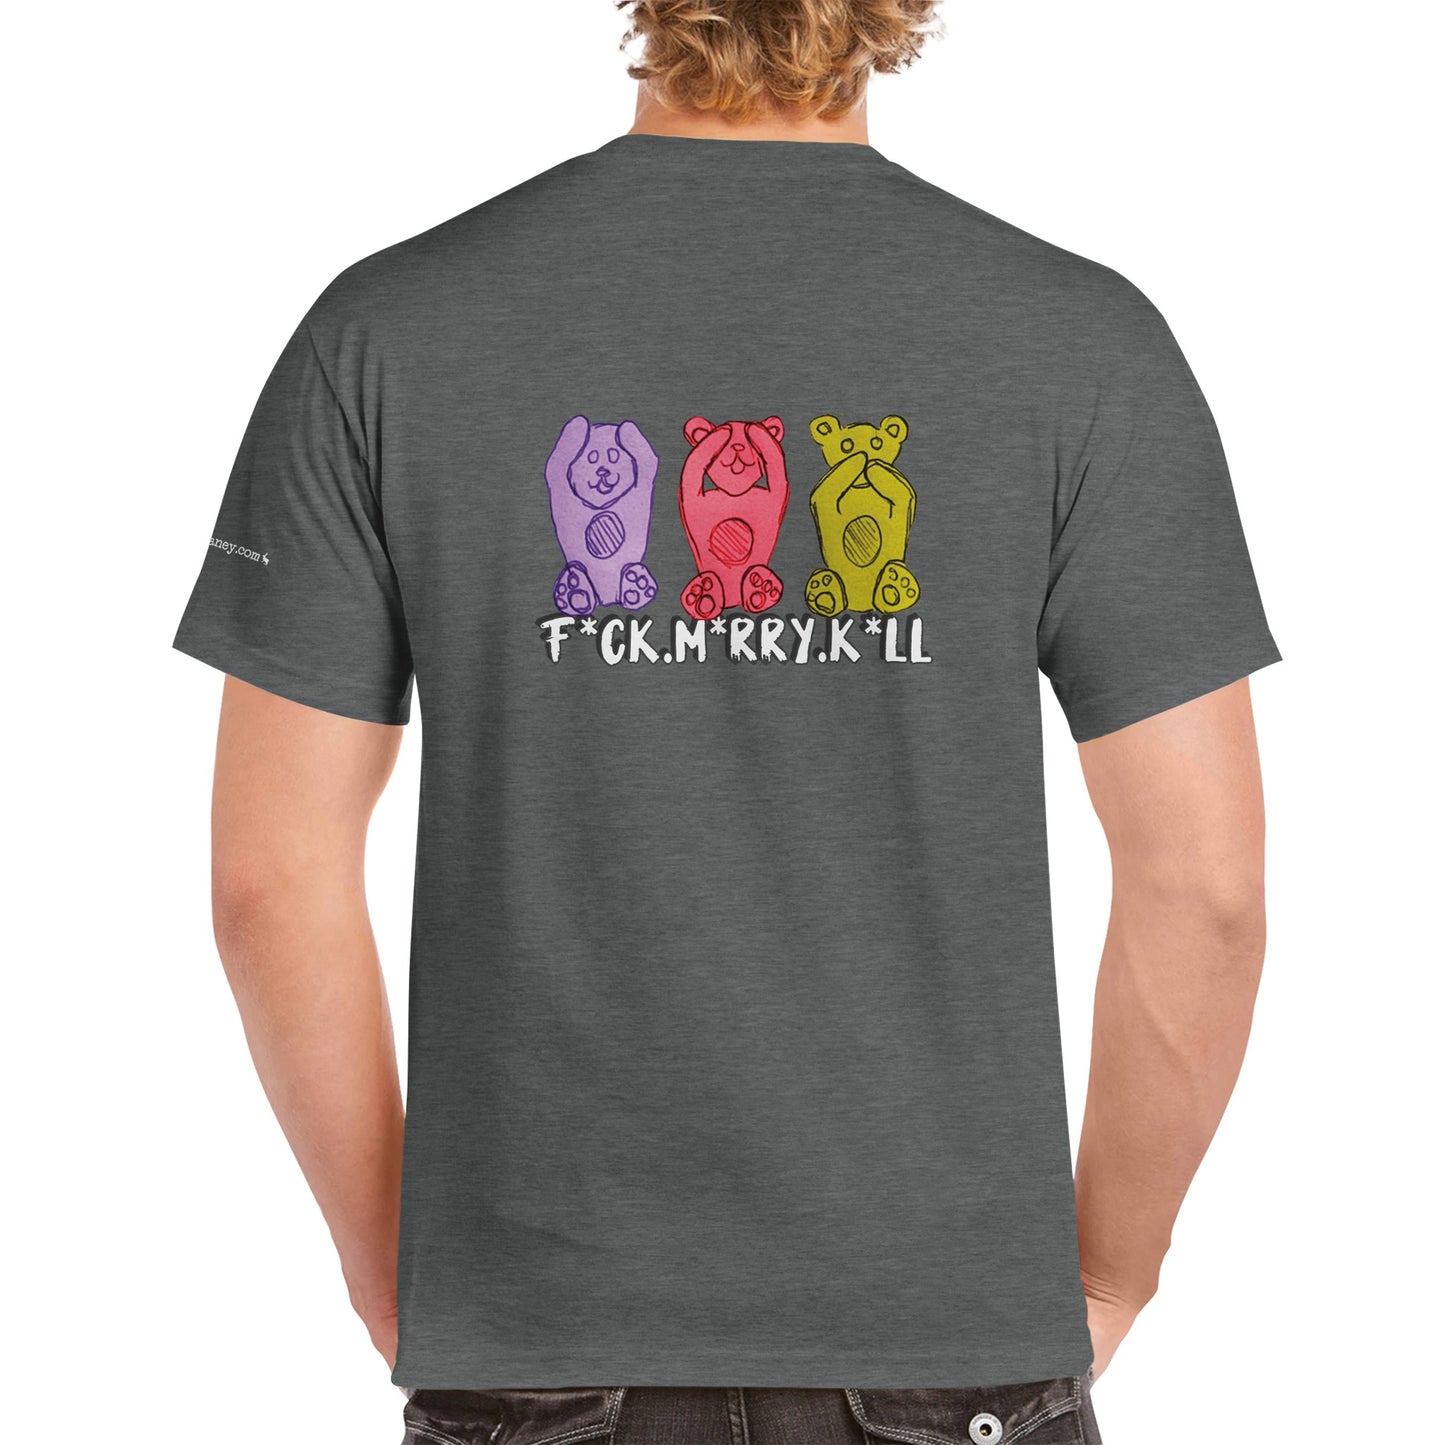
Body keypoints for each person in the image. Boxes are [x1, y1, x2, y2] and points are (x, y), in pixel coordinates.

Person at [174, 3, 1279, 1441]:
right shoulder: (1080, 343)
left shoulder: (383, 331)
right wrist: (1107, 1275)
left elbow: (268, 884)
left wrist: (413, 1283)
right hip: (949, 1344)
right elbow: (1205, 890)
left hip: (533, 1335)